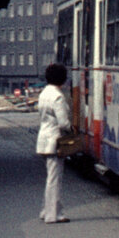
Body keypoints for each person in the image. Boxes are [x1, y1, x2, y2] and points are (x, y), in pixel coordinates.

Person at [35, 62, 73, 224]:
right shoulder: (57, 96)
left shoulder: (44, 93)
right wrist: (72, 130)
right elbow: (63, 123)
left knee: (51, 178)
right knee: (54, 179)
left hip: (43, 139)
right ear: (62, 79)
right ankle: (53, 215)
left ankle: (46, 211)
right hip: (54, 141)